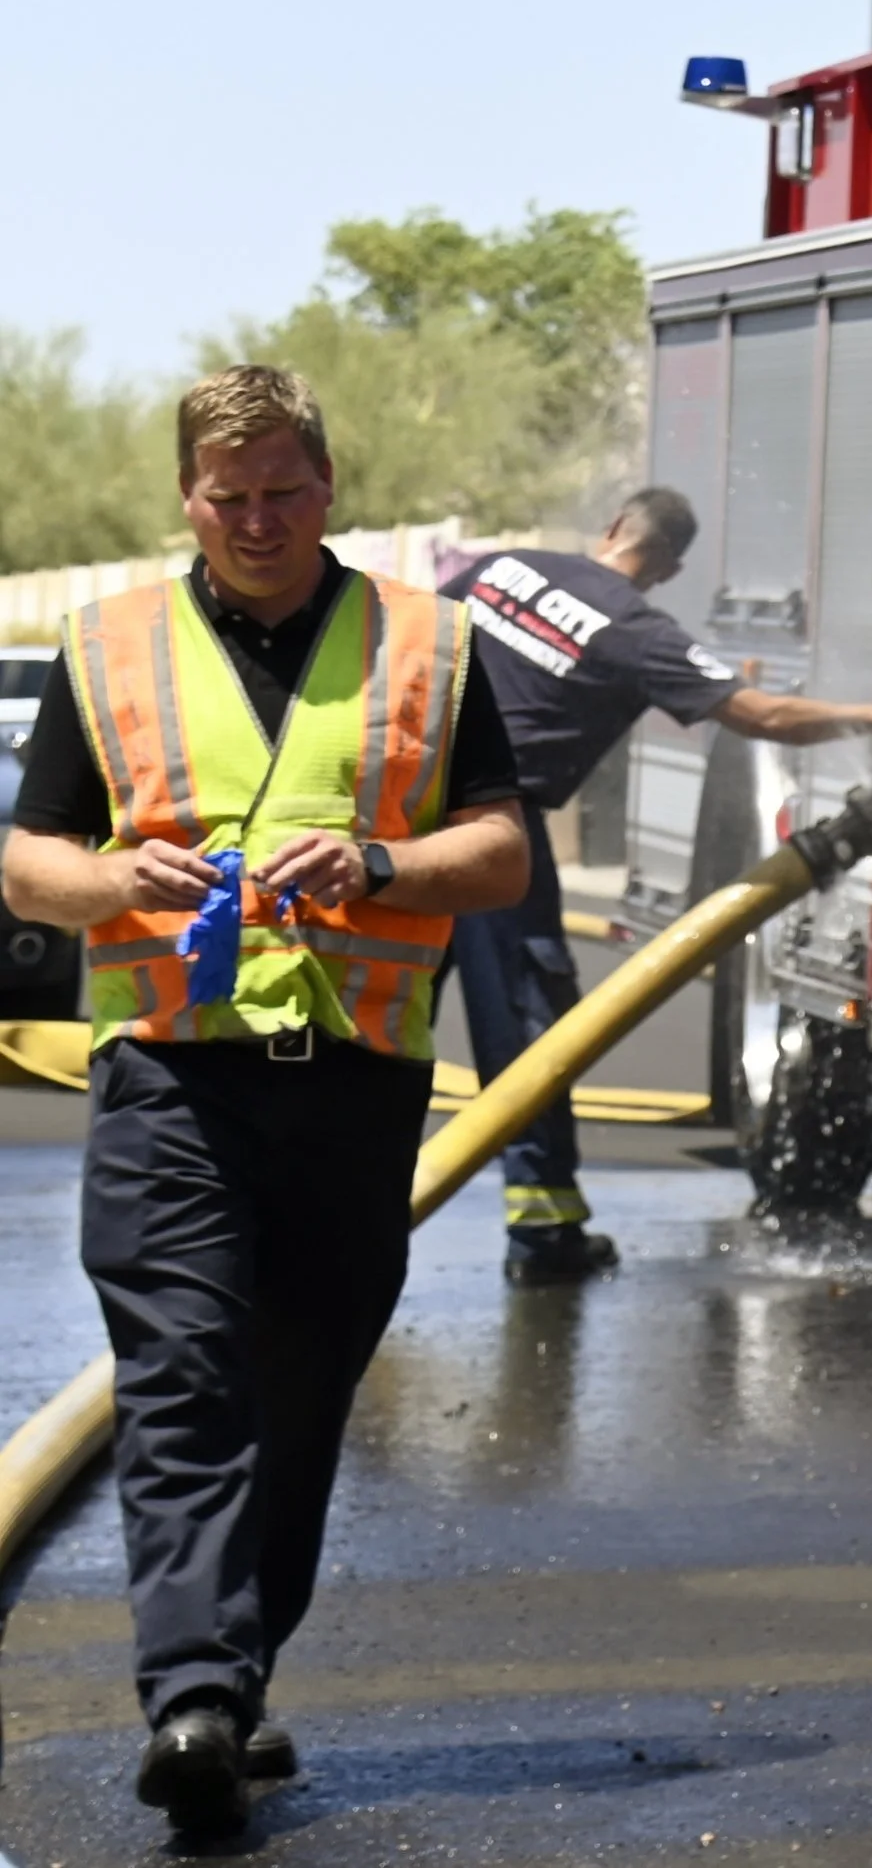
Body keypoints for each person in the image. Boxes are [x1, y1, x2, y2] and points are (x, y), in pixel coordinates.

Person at [2, 365, 528, 1839]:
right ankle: (191, 1698)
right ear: (188, 498)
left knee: (297, 1397)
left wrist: (378, 863)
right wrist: (113, 878)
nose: (256, 520)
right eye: (227, 496)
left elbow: (500, 855)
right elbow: (29, 859)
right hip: (170, 1075)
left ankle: (232, 1682)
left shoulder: (429, 644)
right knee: (184, 1379)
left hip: (353, 1084)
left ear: (328, 484)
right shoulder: (110, 646)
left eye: (283, 490)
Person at [440, 488, 872, 1284]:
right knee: (528, 1032)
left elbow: (404, 638)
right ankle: (544, 1234)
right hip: (492, 834)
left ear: (614, 525)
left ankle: (311, 1217)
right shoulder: (635, 631)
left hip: (397, 807)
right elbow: (764, 715)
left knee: (373, 1012)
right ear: (672, 567)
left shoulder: (504, 568)